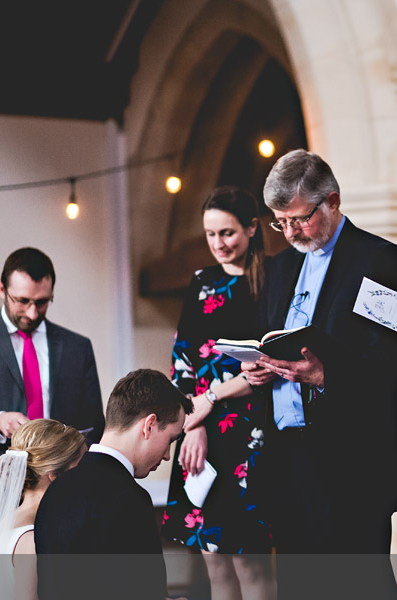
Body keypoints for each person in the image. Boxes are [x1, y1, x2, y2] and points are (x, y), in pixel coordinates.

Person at [241, 149, 397, 597]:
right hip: (287, 456)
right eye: (281, 221)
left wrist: (325, 375)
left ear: (332, 201)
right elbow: (270, 341)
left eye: (299, 219)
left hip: (352, 461)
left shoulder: (381, 258)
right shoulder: (279, 268)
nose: (291, 232)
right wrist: (262, 371)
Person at [161, 185, 275, 600]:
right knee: (214, 560)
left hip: (252, 432)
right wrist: (193, 424)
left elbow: (270, 364)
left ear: (251, 228)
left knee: (249, 561)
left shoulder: (275, 280)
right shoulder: (201, 282)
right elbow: (183, 361)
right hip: (201, 432)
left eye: (226, 233)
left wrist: (212, 399)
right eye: (210, 235)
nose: (218, 244)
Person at [0, 247, 105, 550]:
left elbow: (94, 423)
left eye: (42, 302)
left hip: (61, 490)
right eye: (22, 301)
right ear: (2, 289)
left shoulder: (78, 347)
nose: (32, 313)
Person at [34, 369, 192, 600]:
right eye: (170, 440)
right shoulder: (130, 498)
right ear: (149, 425)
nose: (168, 455)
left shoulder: (55, 490)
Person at [0, 419, 87, 600]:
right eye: (81, 467)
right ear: (55, 475)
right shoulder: (32, 540)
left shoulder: (4, 523)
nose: (87, 475)